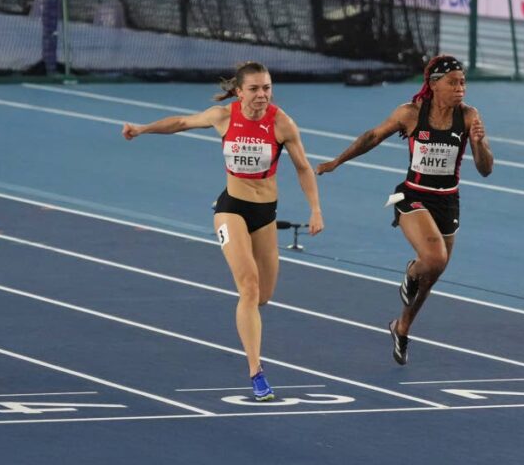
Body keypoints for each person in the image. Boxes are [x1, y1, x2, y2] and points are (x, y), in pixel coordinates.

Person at [122, 62, 323, 401]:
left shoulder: (282, 123)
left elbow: (303, 167)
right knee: (249, 287)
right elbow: (181, 123)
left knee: (263, 296)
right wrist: (142, 129)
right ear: (240, 91)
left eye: (267, 88)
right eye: (255, 89)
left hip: (265, 213)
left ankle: (247, 329)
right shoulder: (223, 117)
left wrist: (315, 209)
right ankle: (256, 373)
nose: (262, 95)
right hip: (231, 208)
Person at [315, 56, 493, 365]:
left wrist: (479, 144)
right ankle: (411, 271)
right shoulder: (411, 114)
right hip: (413, 196)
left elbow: (486, 169)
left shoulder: (468, 117)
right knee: (433, 259)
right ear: (434, 84)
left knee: (432, 275)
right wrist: (337, 162)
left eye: (463, 82)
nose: (460, 88)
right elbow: (372, 137)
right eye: (453, 82)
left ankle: (402, 327)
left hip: (448, 201)